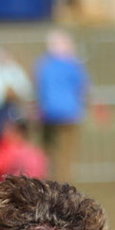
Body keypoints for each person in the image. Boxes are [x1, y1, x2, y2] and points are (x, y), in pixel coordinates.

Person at [32, 33, 89, 183]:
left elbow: (39, 87)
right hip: (70, 114)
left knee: (49, 152)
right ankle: (62, 186)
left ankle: (46, 184)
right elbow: (82, 87)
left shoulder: (43, 64)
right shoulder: (73, 65)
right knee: (65, 155)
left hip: (48, 113)